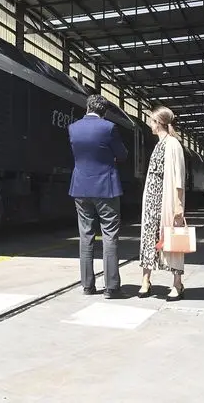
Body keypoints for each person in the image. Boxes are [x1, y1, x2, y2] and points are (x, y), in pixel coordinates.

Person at [68, 94, 128, 299]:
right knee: (109, 235)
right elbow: (122, 155)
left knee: (85, 236)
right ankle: (111, 287)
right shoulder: (108, 128)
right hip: (106, 188)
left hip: (81, 188)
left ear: (87, 108)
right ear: (104, 111)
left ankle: (87, 285)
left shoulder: (73, 128)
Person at [138, 106, 187, 301]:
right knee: (148, 239)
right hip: (151, 200)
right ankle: (146, 280)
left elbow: (179, 178)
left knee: (173, 241)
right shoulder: (158, 144)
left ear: (158, 122)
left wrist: (178, 206)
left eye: (152, 121)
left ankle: (177, 283)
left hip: (166, 200)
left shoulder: (173, 144)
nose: (150, 124)